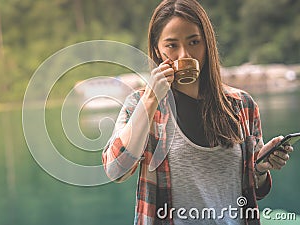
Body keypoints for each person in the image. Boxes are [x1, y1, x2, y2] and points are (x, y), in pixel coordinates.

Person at [102, 0, 294, 224]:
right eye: (172, 46)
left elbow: (256, 190)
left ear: (207, 44)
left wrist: (260, 168)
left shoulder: (242, 104)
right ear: (157, 49)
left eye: (194, 42)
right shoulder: (140, 103)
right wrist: (151, 99)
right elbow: (116, 170)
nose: (185, 54)